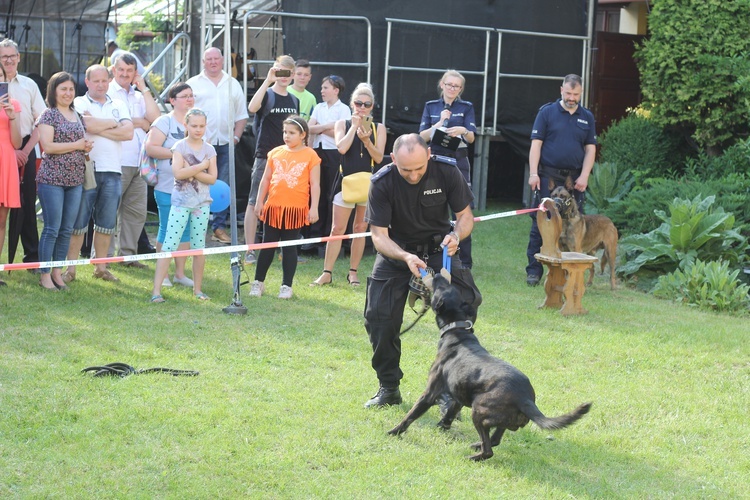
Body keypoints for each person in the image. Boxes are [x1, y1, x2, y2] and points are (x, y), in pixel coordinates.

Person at [363, 133, 482, 408]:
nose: (414, 175)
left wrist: (456, 236)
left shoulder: (447, 171)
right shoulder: (381, 182)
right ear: (394, 160)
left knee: (464, 309)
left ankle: (449, 390)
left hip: (440, 248)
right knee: (379, 317)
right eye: (406, 169)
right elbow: (379, 236)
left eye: (419, 168)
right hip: (397, 251)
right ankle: (389, 388)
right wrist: (405, 256)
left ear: (428, 155)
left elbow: (465, 217)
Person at [62, 64, 134, 284]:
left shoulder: (119, 103)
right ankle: (70, 268)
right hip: (86, 169)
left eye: (105, 80)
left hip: (113, 170)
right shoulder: (79, 102)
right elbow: (86, 125)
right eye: (97, 81)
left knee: (106, 222)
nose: (101, 85)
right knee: (78, 221)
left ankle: (100, 268)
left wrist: (99, 126)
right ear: (87, 82)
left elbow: (129, 132)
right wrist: (114, 124)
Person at [525, 74, 596, 286]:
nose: (572, 98)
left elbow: (590, 149)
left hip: (573, 179)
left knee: (574, 223)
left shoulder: (587, 117)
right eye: (568, 93)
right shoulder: (547, 112)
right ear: (561, 90)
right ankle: (534, 270)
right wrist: (534, 173)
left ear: (581, 93)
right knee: (541, 223)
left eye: (575, 94)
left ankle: (569, 271)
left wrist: (584, 175)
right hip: (548, 175)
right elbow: (536, 144)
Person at [311, 82, 384, 288]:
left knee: (360, 228)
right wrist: (354, 127)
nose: (362, 107)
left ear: (372, 106)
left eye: (366, 104)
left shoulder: (379, 128)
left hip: (366, 183)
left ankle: (353, 272)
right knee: (337, 229)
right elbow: (341, 148)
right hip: (345, 182)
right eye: (358, 103)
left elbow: (379, 158)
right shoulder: (342, 124)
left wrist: (368, 141)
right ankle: (327, 272)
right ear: (352, 104)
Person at [248, 115, 320, 300]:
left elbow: (315, 184)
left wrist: (314, 208)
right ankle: (258, 283)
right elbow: (265, 180)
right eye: (285, 132)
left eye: (292, 133)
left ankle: (286, 286)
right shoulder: (275, 152)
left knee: (289, 248)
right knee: (267, 246)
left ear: (303, 134)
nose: (286, 136)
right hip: (273, 207)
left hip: (295, 209)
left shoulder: (311, 155)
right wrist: (259, 202)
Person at [151, 108, 217, 303]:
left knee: (198, 248)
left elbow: (212, 178)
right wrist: (200, 167)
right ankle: (156, 291)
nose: (198, 129)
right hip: (180, 203)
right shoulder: (179, 146)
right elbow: (177, 174)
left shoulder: (209, 149)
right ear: (186, 126)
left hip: (202, 204)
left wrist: (189, 170)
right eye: (194, 125)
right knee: (169, 246)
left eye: (201, 126)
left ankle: (198, 290)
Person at [35, 72, 94, 291]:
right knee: (52, 228)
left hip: (75, 180)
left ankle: (58, 273)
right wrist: (78, 145)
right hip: (52, 179)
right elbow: (48, 147)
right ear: (54, 91)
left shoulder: (76, 114)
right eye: (63, 89)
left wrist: (85, 146)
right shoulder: (48, 115)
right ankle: (44, 275)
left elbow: (78, 143)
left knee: (67, 229)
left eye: (71, 89)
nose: (68, 93)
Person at [187, 47, 249, 244]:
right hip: (198, 145)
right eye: (209, 59)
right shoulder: (192, 84)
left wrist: (236, 138)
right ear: (203, 62)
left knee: (222, 187)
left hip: (225, 145)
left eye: (216, 58)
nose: (213, 62)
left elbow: (242, 115)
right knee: (194, 184)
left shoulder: (233, 84)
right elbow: (183, 113)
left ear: (223, 61)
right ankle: (192, 227)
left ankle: (219, 228)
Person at [243, 55, 299, 264]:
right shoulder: (267, 94)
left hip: (288, 160)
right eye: (279, 71)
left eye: (287, 73)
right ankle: (250, 249)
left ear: (293, 75)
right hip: (265, 156)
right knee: (254, 202)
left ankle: (280, 248)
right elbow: (252, 108)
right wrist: (268, 80)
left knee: (282, 203)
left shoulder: (294, 99)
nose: (283, 77)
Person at [419, 69, 477, 269]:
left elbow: (471, 138)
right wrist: (439, 123)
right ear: (442, 85)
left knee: (461, 212)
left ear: (460, 89)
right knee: (432, 207)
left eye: (456, 86)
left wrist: (463, 130)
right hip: (435, 162)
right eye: (449, 84)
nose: (452, 88)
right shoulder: (431, 107)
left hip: (458, 163)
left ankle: (464, 262)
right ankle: (431, 255)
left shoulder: (466, 107)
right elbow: (422, 137)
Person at [107, 52, 160, 268]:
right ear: (113, 70)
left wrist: (145, 88)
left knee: (135, 213)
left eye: (130, 71)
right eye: (121, 70)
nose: (125, 74)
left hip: (139, 162)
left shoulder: (139, 96)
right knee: (108, 212)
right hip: (114, 160)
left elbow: (154, 120)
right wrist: (139, 121)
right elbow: (112, 123)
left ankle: (127, 256)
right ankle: (105, 257)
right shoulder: (107, 92)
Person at [144, 82, 195, 288]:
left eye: (191, 95)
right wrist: (178, 154)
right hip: (166, 187)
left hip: (192, 188)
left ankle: (180, 274)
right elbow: (151, 148)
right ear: (172, 100)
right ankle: (163, 275)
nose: (189, 99)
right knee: (167, 229)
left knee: (185, 231)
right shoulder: (163, 121)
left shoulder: (197, 121)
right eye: (184, 96)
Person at [1, 38, 46, 268]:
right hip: (3, 148)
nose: (8, 60)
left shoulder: (29, 85)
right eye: (3, 56)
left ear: (18, 57)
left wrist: (25, 151)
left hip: (26, 146)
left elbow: (42, 120)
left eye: (12, 55)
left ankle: (31, 258)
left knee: (27, 202)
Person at [306, 75, 351, 242]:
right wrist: (327, 126)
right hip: (317, 151)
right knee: (317, 192)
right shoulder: (318, 107)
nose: (322, 91)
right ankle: (314, 235)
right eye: (322, 88)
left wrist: (321, 129)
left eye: (325, 88)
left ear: (336, 90)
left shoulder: (344, 109)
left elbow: (342, 134)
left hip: (334, 153)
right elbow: (309, 128)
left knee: (331, 194)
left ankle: (328, 236)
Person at [0, 64, 22, 287]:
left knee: (1, 220)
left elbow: (16, 143)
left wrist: (12, 117)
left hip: (5, 163)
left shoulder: (13, 105)